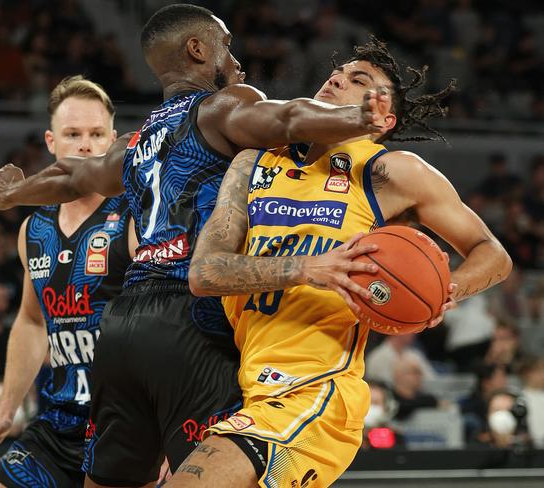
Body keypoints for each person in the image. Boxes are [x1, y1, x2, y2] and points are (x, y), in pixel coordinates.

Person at [0, 5, 391, 486]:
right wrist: (354, 118)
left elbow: (73, 176)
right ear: (198, 50)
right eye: (226, 46)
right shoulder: (221, 106)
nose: (235, 61)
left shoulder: (139, 138)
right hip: (193, 320)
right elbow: (292, 116)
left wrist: (16, 193)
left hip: (124, 328)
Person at [185, 36, 512, 486]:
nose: (336, 78)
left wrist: (444, 293)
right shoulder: (253, 162)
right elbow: (204, 274)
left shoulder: (389, 171)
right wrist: (306, 268)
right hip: (244, 381)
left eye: (359, 80)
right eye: (336, 73)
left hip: (317, 391)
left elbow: (493, 253)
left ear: (384, 119)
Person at [0, 75, 137, 487]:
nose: (85, 144)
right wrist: (6, 411)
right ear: (51, 142)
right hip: (57, 422)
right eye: (73, 134)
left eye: (96, 134)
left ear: (113, 141)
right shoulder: (34, 227)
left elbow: (169, 322)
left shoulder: (136, 217)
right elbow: (32, 322)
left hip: (125, 422)